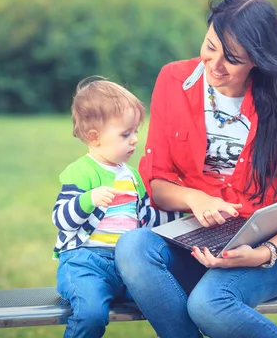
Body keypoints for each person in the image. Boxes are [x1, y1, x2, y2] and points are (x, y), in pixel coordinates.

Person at [114, 0, 277, 338]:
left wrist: (262, 253)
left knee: (209, 304)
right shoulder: (173, 82)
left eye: (232, 58)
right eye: (210, 46)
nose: (214, 65)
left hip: (273, 252)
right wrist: (195, 199)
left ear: (257, 60)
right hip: (202, 242)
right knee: (133, 247)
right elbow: (157, 185)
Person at [51, 77, 182, 338]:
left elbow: (146, 218)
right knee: (91, 314)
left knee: (165, 298)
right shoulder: (80, 172)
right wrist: (88, 200)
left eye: (135, 132)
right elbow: (61, 219)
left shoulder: (133, 177)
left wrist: (183, 215)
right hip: (85, 263)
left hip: (126, 266)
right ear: (94, 137)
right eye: (125, 134)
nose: (134, 140)